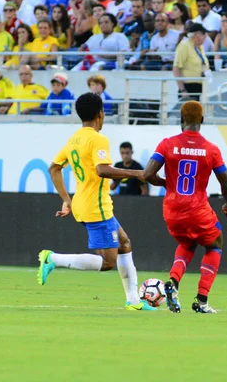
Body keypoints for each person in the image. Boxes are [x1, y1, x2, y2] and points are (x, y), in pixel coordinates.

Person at [38, 93, 157, 312]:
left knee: (125, 243)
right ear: (100, 114)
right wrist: (137, 173)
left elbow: (53, 168)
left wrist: (67, 200)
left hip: (85, 203)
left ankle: (133, 301)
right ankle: (53, 259)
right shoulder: (97, 139)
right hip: (96, 207)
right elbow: (103, 170)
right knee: (108, 262)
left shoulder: (74, 139)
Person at [142, 100, 227, 313]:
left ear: (181, 120)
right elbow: (226, 185)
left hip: (172, 211)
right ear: (202, 120)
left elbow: (147, 175)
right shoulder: (211, 150)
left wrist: (167, 183)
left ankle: (173, 283)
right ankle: (202, 301)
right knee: (214, 244)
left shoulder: (167, 144)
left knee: (188, 243)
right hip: (198, 209)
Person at [173, 23, 210, 102]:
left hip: (200, 86)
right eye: (204, 34)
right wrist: (182, 90)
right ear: (197, 35)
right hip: (188, 87)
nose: (206, 36)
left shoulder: (200, 47)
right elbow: (176, 68)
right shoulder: (184, 45)